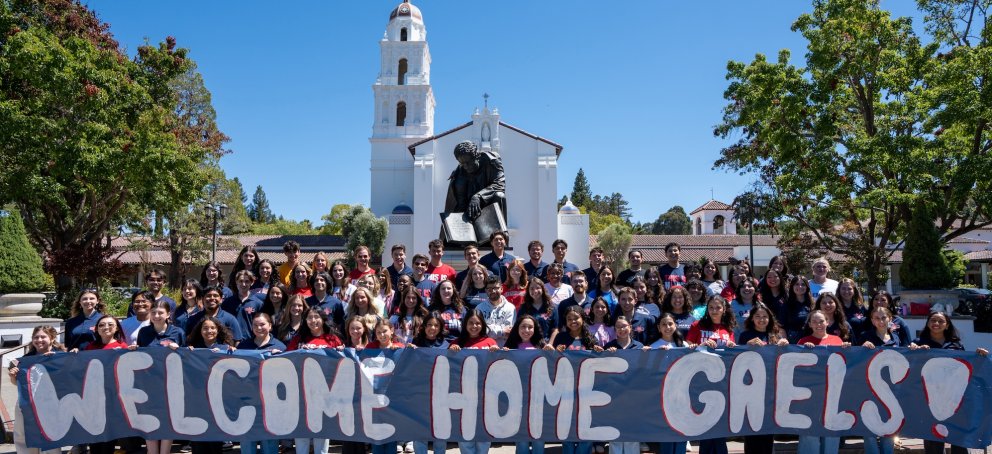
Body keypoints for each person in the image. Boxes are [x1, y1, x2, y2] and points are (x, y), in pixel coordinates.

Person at [910, 311, 989, 454]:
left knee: (958, 438)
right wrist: (914, 352)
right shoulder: (918, 343)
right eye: (933, 320)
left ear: (947, 325)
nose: (936, 324)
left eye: (941, 321)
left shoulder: (956, 345)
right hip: (928, 400)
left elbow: (966, 368)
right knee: (933, 439)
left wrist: (979, 356)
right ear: (928, 323)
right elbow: (910, 367)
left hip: (954, 399)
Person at [796, 310, 850, 454]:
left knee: (831, 432)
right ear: (809, 324)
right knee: (810, 431)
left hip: (833, 394)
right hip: (810, 395)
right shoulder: (802, 342)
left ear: (827, 322)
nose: (818, 324)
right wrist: (803, 352)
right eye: (814, 321)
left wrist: (847, 350)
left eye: (821, 321)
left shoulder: (838, 341)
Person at [553, 305, 601, 454]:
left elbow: (598, 363)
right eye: (569, 319)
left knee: (585, 424)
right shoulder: (561, 338)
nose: (573, 321)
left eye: (576, 318)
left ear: (582, 319)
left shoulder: (591, 338)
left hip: (586, 389)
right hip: (565, 389)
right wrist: (556, 353)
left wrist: (599, 352)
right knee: (566, 423)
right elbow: (552, 362)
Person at [8, 326, 64, 454]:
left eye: (43, 337)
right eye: (36, 337)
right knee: (23, 433)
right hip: (28, 401)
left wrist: (55, 361)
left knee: (51, 434)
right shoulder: (26, 359)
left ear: (52, 338)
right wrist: (13, 376)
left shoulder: (61, 356)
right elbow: (18, 384)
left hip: (51, 402)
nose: (39, 340)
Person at [409, 313, 450, 454]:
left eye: (436, 325)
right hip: (421, 394)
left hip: (441, 394)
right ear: (424, 326)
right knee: (420, 430)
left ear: (440, 327)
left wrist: (455, 351)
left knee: (440, 431)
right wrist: (408, 351)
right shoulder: (415, 343)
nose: (432, 328)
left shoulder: (447, 344)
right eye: (429, 325)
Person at [222, 270, 265, 338]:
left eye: (247, 281)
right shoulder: (227, 302)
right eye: (241, 281)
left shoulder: (258, 303)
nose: (243, 284)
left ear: (252, 282)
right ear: (236, 282)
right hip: (231, 342)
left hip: (250, 342)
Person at [476, 275, 515, 346]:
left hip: (504, 350)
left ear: (501, 289)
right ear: (485, 290)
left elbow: (508, 332)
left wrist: (489, 328)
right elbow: (479, 331)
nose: (493, 291)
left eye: (496, 288)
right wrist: (502, 331)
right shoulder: (479, 308)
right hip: (485, 349)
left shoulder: (510, 308)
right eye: (489, 289)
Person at [519, 277, 559, 343]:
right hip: (528, 344)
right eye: (531, 288)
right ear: (528, 291)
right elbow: (518, 327)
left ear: (543, 289)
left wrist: (550, 344)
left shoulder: (552, 307)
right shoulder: (524, 307)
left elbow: (555, 329)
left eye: (538, 288)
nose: (535, 291)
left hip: (546, 346)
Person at [782, 276, 814, 344]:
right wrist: (785, 341)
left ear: (807, 287)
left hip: (810, 343)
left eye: (803, 284)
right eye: (796, 284)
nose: (800, 287)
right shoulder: (786, 305)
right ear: (792, 286)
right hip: (792, 343)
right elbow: (782, 326)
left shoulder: (813, 305)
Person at [837, 278, 868, 343]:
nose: (846, 291)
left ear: (854, 290)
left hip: (860, 345)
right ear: (839, 290)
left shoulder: (861, 307)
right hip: (841, 346)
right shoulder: (835, 307)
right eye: (843, 288)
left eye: (849, 289)